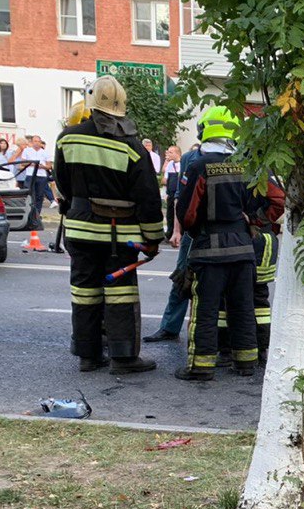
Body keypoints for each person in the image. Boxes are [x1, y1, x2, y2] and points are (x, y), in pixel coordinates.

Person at [53, 75, 164, 374]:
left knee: (84, 292)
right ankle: (123, 358)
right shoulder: (133, 148)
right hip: (119, 237)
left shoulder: (67, 138)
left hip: (79, 230)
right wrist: (154, 239)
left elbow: (62, 183)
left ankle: (88, 356)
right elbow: (148, 199)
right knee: (120, 295)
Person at [173, 105, 270, 381]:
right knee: (242, 307)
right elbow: (264, 202)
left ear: (205, 130)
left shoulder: (199, 165)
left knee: (206, 309)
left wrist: (193, 230)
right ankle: (246, 363)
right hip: (243, 249)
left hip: (209, 250)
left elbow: (188, 212)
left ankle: (201, 367)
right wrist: (249, 219)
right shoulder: (247, 164)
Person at [144, 138, 214, 344]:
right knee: (182, 277)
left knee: (216, 282)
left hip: (216, 230)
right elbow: (179, 197)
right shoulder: (190, 159)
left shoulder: (232, 157)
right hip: (193, 231)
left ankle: (218, 335)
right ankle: (169, 327)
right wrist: (177, 230)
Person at [21, 136, 55, 211]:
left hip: (41, 176)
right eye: (35, 141)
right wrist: (33, 164)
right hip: (30, 175)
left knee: (39, 196)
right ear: (32, 142)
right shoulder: (27, 151)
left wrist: (43, 166)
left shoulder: (45, 152)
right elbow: (23, 163)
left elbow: (49, 166)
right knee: (30, 195)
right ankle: (30, 212)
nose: (37, 143)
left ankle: (37, 213)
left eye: (38, 141)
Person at [162, 145, 182, 239]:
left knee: (179, 213)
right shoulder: (170, 164)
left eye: (171, 152)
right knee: (169, 214)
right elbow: (165, 179)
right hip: (171, 193)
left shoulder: (182, 163)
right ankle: (169, 232)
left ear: (177, 153)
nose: (168, 154)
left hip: (179, 193)